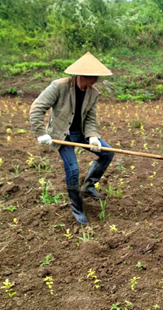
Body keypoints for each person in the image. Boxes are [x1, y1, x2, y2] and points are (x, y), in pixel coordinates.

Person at [29, 52, 114, 224]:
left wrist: (92, 137)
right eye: (94, 77)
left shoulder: (93, 93)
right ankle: (77, 207)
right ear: (83, 75)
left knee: (107, 153)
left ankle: (89, 186)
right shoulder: (59, 87)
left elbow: (90, 118)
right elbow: (37, 108)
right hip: (63, 135)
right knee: (73, 170)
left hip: (81, 133)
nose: (97, 80)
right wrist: (41, 133)